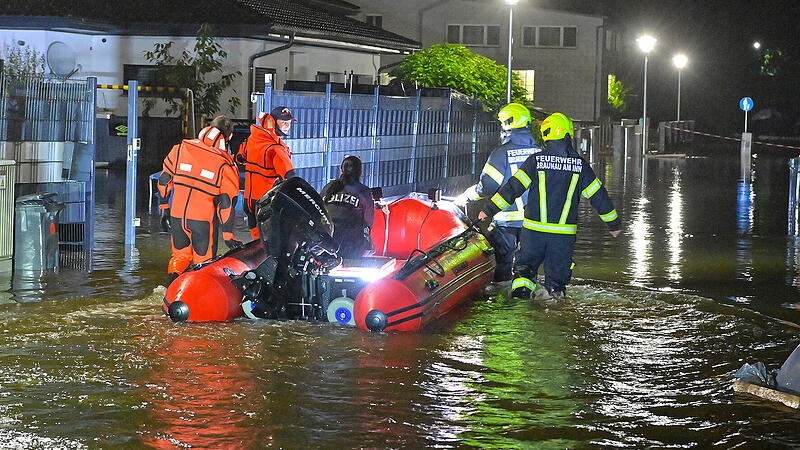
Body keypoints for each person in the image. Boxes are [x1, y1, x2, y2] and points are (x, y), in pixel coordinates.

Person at [468, 112, 622, 300]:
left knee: (523, 273)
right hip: (562, 237)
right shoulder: (580, 166)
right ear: (567, 134)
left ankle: (519, 305)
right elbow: (599, 197)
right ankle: (554, 309)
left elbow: (512, 189)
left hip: (533, 233)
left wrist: (488, 210)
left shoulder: (536, 161)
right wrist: (613, 224)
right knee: (556, 286)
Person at [158, 115, 242, 286]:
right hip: (202, 221)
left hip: (177, 215)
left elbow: (164, 181)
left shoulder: (180, 149)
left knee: (180, 257)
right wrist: (228, 234)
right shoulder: (226, 164)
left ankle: (170, 292)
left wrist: (164, 208)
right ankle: (194, 299)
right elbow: (226, 202)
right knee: (203, 264)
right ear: (230, 136)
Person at [471, 103, 541, 281]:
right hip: (534, 224)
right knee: (527, 272)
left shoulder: (501, 154)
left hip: (506, 224)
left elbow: (487, 187)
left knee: (503, 271)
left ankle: (503, 302)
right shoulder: (540, 153)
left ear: (507, 126)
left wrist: (472, 194)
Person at [237, 106, 297, 240]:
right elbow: (291, 177)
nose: (287, 126)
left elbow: (239, 158)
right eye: (284, 122)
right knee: (270, 247)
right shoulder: (277, 149)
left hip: (248, 202)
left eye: (289, 122)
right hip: (266, 205)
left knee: (257, 244)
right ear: (272, 122)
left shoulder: (251, 140)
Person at [320, 155, 375, 259]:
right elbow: (368, 223)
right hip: (350, 248)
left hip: (325, 245)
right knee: (371, 247)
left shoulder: (328, 187)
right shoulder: (364, 191)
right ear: (360, 172)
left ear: (341, 171)